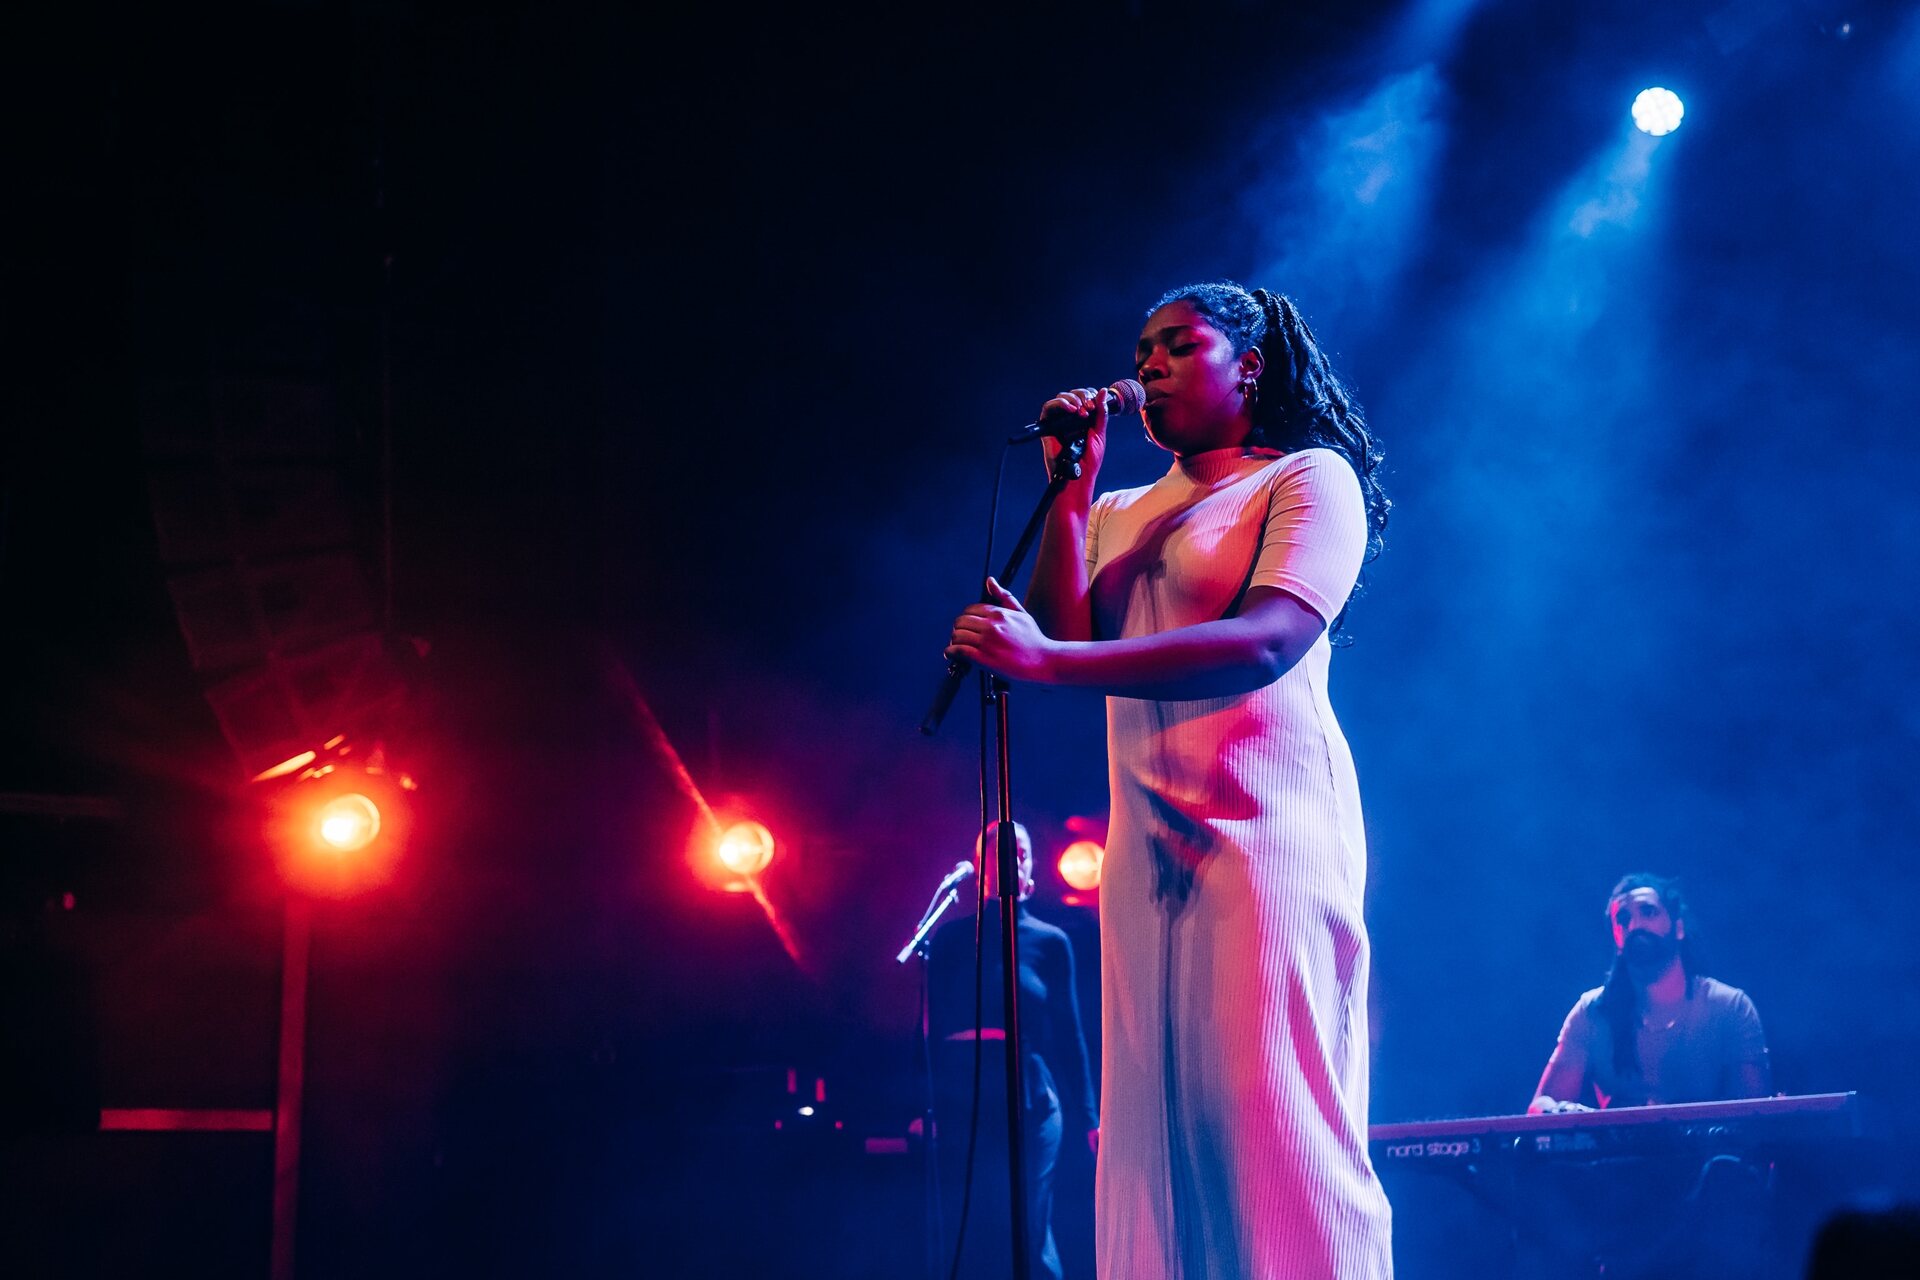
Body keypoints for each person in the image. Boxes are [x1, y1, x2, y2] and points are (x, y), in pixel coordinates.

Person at [947, 282, 1393, 1278]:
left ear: (1250, 365)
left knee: (1269, 1118)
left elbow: (1266, 642)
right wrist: (1072, 488)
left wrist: (1049, 659)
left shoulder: (1307, 478)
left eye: (1181, 345)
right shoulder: (1119, 511)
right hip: (1147, 845)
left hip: (1267, 835)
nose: (1149, 364)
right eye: (1143, 349)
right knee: (1157, 1131)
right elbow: (1068, 634)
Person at [926, 821, 1099, 1280]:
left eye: (1020, 852)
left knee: (1030, 1223)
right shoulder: (950, 941)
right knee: (980, 1225)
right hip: (968, 1102)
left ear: (1030, 865)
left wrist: (1090, 1118)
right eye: (1000, 852)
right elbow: (933, 1032)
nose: (1011, 860)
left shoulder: (1050, 942)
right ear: (980, 865)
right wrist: (927, 1103)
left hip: (1032, 1103)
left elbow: (1070, 1035)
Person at [1531, 873, 1771, 1114]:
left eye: (1648, 912)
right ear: (1616, 938)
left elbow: (1756, 1115)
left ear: (1678, 928)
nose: (1635, 925)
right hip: (1618, 1141)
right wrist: (1562, 1110)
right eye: (1623, 919)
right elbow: (1540, 1105)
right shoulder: (1592, 1012)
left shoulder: (1729, 1007)